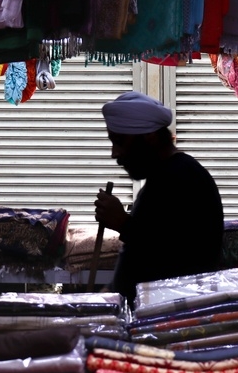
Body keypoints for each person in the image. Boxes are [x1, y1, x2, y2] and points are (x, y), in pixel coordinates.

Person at [94, 91, 224, 305]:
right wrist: (111, 291)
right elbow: (146, 248)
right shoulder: (164, 177)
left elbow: (176, 256)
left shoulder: (183, 177)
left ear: (150, 137)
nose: (114, 153)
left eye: (120, 141)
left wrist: (123, 224)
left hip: (170, 320)